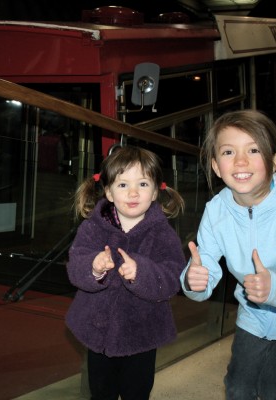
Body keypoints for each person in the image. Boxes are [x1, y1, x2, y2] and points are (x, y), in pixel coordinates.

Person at [180, 109, 276, 399]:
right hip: (253, 313)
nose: (240, 161)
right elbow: (206, 264)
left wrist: (274, 287)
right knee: (238, 385)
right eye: (228, 151)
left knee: (273, 388)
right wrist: (194, 280)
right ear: (216, 165)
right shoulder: (217, 210)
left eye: (253, 150)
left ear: (274, 161)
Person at [65, 146, 186, 400]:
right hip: (98, 333)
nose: (133, 193)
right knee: (100, 392)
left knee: (137, 392)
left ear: (155, 192)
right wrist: (94, 267)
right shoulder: (93, 228)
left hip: (142, 333)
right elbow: (76, 265)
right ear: (108, 192)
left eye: (142, 184)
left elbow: (173, 276)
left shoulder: (163, 233)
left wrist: (140, 272)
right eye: (122, 185)